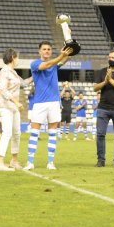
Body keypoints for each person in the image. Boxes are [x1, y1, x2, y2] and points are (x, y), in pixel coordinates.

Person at [24, 41, 72, 170]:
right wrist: (61, 56)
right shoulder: (35, 64)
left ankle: (50, 162)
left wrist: (69, 50)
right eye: (44, 49)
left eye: (49, 49)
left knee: (52, 133)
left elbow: (64, 61)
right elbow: (48, 64)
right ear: (39, 51)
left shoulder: (54, 65)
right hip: (39, 102)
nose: (46, 51)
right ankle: (30, 162)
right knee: (34, 133)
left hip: (54, 103)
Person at [0, 48, 32, 171]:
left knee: (17, 133)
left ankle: (13, 161)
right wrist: (17, 102)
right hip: (6, 106)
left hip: (14, 107)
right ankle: (0, 163)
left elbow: (24, 83)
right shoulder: (4, 72)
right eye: (17, 57)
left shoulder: (14, 73)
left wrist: (35, 76)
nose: (18, 60)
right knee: (7, 133)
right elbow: (3, 91)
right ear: (12, 58)